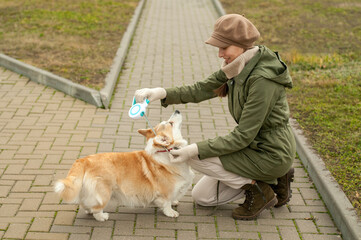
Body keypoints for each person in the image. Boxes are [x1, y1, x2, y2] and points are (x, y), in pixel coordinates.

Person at [134, 14, 296, 220]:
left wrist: (194, 149)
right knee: (203, 197)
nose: (220, 54)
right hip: (252, 148)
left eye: (224, 48)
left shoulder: (262, 80)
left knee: (192, 156)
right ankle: (275, 180)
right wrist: (162, 93)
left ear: (240, 45)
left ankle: (261, 189)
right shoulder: (238, 66)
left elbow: (243, 136)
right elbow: (200, 89)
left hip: (270, 153)